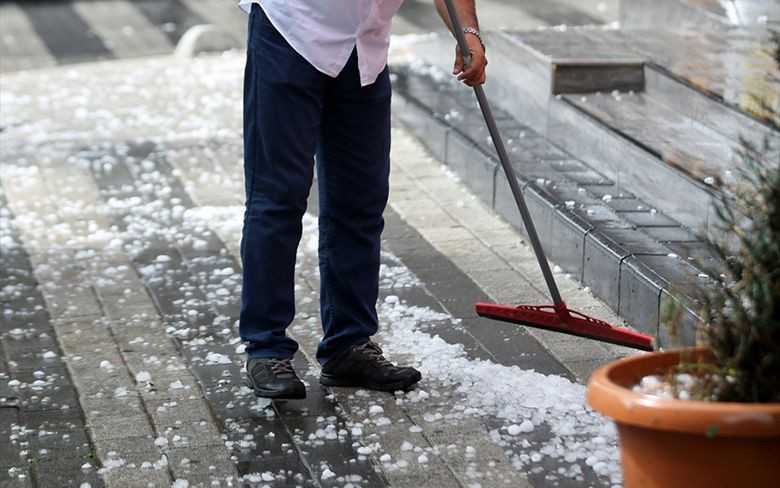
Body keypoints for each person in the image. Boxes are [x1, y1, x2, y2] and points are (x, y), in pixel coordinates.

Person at [237, 0, 487, 399]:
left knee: (359, 202)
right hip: (293, 30)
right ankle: (265, 347)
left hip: (364, 44)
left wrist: (467, 33)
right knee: (278, 196)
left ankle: (348, 346)